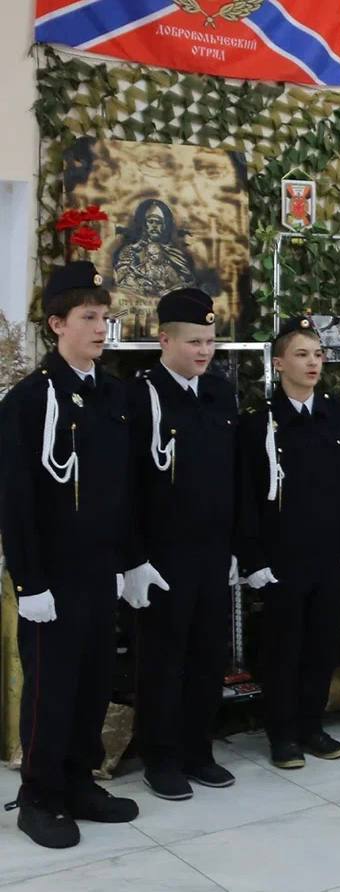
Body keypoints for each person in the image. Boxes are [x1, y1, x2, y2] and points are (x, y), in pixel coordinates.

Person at [0, 261, 140, 848]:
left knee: (92, 682)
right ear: (57, 324)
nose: (101, 328)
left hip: (99, 569)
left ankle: (80, 781)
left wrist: (130, 560)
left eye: (104, 317)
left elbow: (123, 488)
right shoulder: (30, 399)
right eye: (88, 317)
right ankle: (39, 796)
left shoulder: (112, 394)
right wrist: (29, 582)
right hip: (52, 575)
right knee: (51, 690)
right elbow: (16, 498)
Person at [237, 315, 340, 769]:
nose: (313, 363)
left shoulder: (339, 414)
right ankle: (282, 734)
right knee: (284, 648)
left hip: (328, 551)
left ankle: (312, 726)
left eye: (317, 354)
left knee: (322, 644)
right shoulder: (259, 422)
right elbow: (246, 494)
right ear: (278, 364)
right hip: (282, 555)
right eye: (301, 354)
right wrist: (253, 557)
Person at [126, 288, 237, 800]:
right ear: (164, 340)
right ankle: (161, 757)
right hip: (162, 555)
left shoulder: (219, 392)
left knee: (208, 656)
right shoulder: (140, 395)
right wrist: (133, 557)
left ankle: (199, 750)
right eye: (194, 341)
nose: (204, 351)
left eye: (210, 342)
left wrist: (235, 546)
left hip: (212, 550)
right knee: (162, 660)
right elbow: (127, 485)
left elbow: (230, 474)